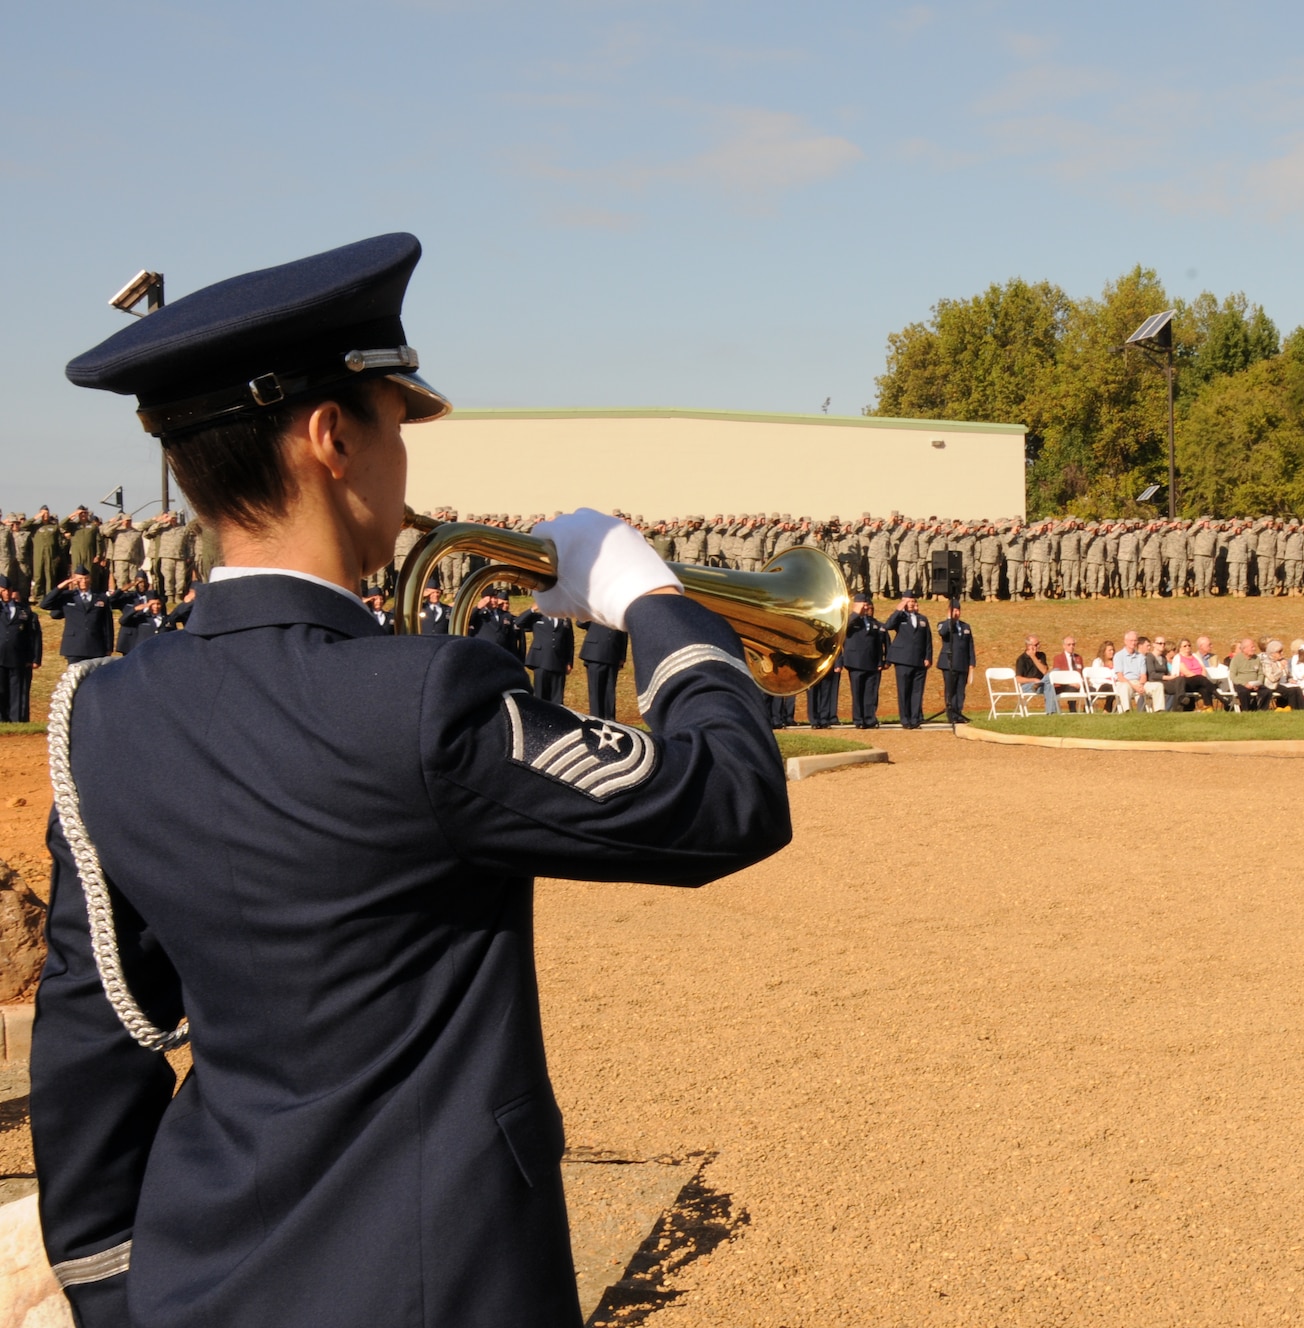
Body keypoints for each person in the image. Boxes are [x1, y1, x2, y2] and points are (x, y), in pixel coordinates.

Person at [46, 231, 789, 1328]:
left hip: (197, 1279)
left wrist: (118, 1298)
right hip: (441, 1282)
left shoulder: (98, 712)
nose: (407, 465)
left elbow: (96, 1041)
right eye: (397, 423)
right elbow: (730, 794)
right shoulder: (425, 695)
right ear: (331, 436)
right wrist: (654, 602)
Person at [42, 573, 117, 665]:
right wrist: (60, 587)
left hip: (96, 645)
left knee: (94, 677)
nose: (84, 581)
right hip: (74, 646)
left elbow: (107, 624)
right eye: (80, 579)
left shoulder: (101, 597)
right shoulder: (67, 596)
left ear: (91, 579)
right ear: (74, 581)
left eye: (86, 578)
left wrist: (109, 647)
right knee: (75, 676)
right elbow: (45, 604)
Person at [882, 593, 933, 728]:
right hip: (903, 659)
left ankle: (915, 719)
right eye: (908, 601)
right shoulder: (900, 617)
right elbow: (888, 625)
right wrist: (899, 609)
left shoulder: (922, 619)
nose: (911, 603)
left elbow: (928, 640)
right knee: (904, 690)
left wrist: (928, 657)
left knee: (917, 691)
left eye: (913, 601)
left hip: (919, 660)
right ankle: (905, 719)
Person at [840, 595, 887, 728]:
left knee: (869, 693)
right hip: (855, 662)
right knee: (857, 692)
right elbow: (843, 628)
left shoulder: (872, 622)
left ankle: (870, 718)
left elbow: (877, 643)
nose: (865, 608)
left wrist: (879, 661)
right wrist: (855, 613)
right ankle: (858, 719)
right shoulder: (851, 620)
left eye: (866, 605)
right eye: (863, 605)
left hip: (871, 662)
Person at [518, 608, 576, 705]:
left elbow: (569, 641)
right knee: (540, 695)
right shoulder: (537, 617)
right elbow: (518, 622)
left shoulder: (565, 619)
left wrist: (569, 661)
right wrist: (532, 609)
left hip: (559, 662)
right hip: (541, 661)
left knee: (557, 698)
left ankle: (556, 718)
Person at [0, 589, 40, 721]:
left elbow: (33, 637)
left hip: (18, 657)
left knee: (17, 692)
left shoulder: (26, 612)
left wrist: (34, 658)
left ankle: (16, 721)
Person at [579, 614, 629, 720]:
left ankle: (610, 720)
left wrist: (622, 656)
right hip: (595, 653)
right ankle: (596, 719)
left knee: (610, 691)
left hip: (613, 654)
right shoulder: (594, 610)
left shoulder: (617, 611)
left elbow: (623, 633)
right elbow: (580, 623)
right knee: (596, 690)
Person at [936, 599, 975, 724]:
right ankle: (951, 714)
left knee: (960, 691)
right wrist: (949, 619)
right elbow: (943, 633)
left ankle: (959, 713)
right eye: (954, 610)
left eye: (958, 610)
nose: (956, 613)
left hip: (962, 663)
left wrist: (971, 665)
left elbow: (970, 647)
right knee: (950, 690)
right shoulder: (943, 624)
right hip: (949, 663)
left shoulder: (965, 626)